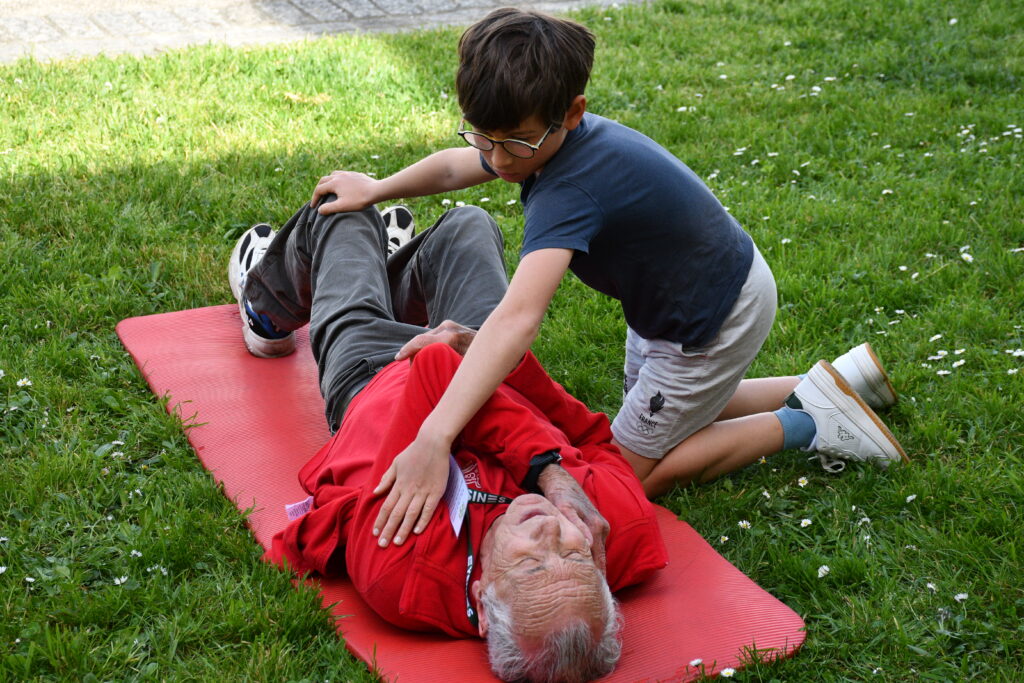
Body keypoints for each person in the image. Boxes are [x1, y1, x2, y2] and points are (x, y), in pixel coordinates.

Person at [292, 8, 910, 525]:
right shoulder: (535, 140)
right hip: (689, 298)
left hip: (708, 321)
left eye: (513, 142)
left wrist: (434, 435)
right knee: (670, 412)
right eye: (482, 135)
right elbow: (458, 165)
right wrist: (378, 188)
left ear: (572, 112)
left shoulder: (569, 188)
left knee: (623, 476)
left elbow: (517, 318)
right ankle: (839, 383)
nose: (497, 159)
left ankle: (806, 423)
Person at [228, 201, 668, 683]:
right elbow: (592, 436)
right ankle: (381, 277)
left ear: (483, 598)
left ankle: (267, 310)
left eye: (531, 566)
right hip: (484, 360)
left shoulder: (402, 571)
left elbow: (433, 367)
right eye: (573, 555)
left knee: (344, 211)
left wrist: (462, 438)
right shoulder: (611, 526)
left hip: (374, 373)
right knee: (468, 223)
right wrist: (506, 366)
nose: (550, 532)